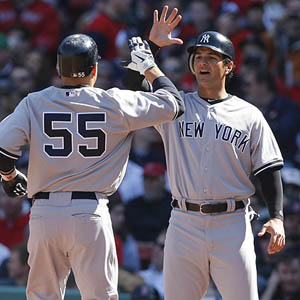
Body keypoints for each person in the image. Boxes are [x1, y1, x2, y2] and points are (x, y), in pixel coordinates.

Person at [0, 32, 184, 300]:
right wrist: (149, 66)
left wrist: (8, 175)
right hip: (90, 212)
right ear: (95, 68)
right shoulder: (114, 102)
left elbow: (3, 148)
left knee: (41, 296)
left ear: (59, 68)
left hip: (44, 213)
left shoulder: (34, 102)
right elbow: (174, 104)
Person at [123, 6, 285, 300]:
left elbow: (268, 168)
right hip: (184, 221)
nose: (202, 62)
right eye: (198, 57)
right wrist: (154, 46)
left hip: (232, 223)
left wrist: (276, 216)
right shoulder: (174, 105)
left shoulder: (248, 115)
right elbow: (132, 90)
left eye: (212, 57)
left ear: (229, 66)